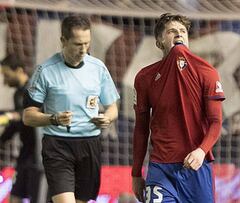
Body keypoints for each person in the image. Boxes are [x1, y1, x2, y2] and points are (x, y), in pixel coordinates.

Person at [23, 15, 120, 203]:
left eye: (87, 43)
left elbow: (112, 107)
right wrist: (54, 119)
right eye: (77, 44)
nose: (83, 49)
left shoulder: (98, 68)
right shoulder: (45, 71)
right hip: (58, 145)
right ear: (63, 41)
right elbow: (28, 116)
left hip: (90, 144)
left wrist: (107, 118)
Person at [131, 13, 225, 203]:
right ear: (159, 41)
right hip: (160, 169)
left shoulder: (207, 72)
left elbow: (216, 122)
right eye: (171, 31)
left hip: (196, 168)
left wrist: (201, 150)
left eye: (182, 31)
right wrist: (135, 173)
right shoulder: (144, 78)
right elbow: (141, 129)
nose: (179, 35)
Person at [0, 54, 44, 203]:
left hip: (38, 155)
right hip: (25, 154)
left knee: (35, 198)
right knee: (14, 198)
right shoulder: (17, 94)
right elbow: (15, 125)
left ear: (19, 70)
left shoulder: (35, 89)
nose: (5, 81)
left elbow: (25, 115)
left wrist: (9, 117)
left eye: (6, 75)